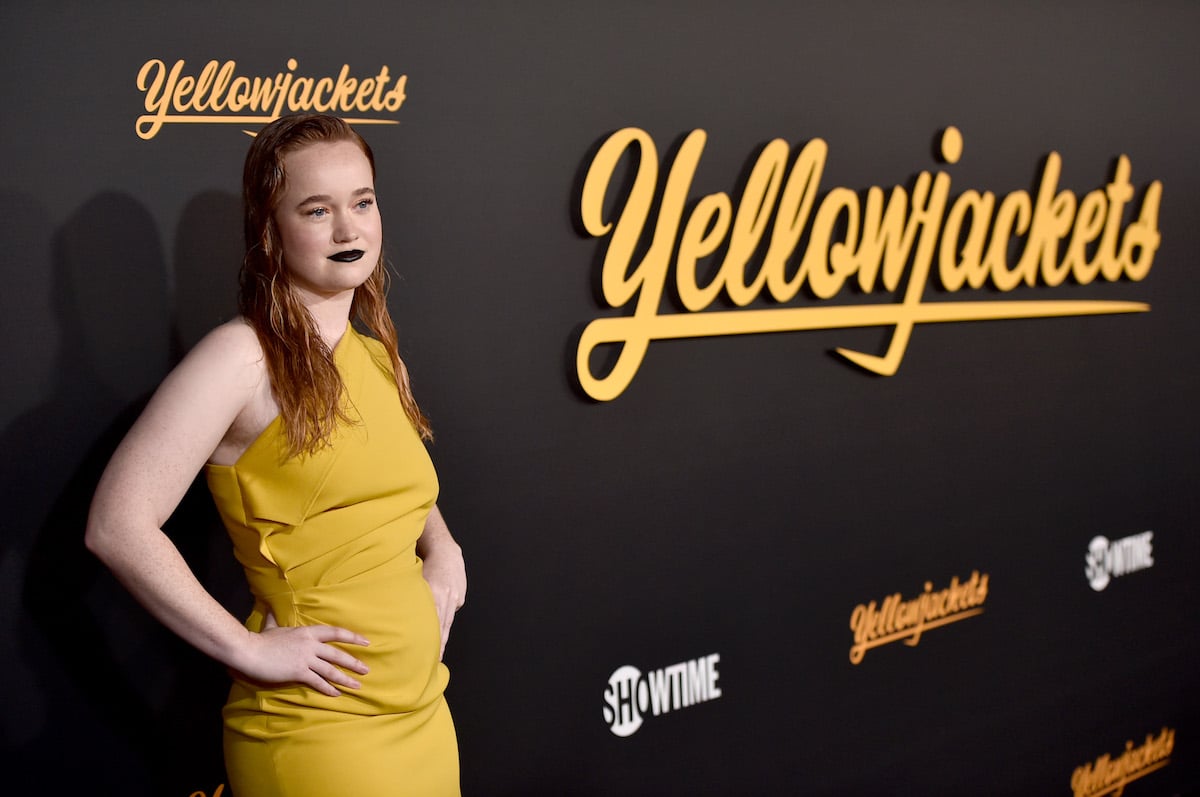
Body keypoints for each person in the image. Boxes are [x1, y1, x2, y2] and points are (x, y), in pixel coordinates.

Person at [85, 113, 466, 796]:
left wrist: (443, 548)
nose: (350, 231)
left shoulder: (378, 355)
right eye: (318, 210)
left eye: (363, 202)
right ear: (272, 226)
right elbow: (117, 524)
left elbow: (390, 485)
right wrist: (245, 646)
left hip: (423, 712)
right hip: (317, 732)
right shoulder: (240, 357)